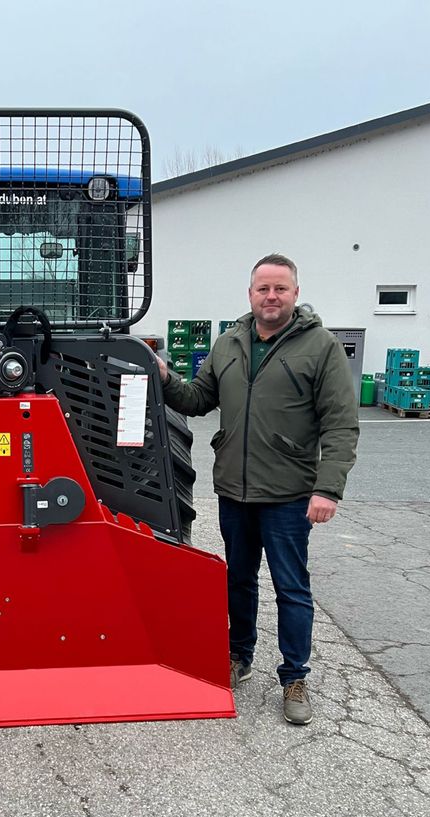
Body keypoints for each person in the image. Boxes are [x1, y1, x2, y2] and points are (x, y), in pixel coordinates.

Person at [157, 254, 358, 725]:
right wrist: (165, 377)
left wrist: (327, 489)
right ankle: (239, 656)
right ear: (250, 294)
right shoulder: (229, 342)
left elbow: (341, 424)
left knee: (291, 588)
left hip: (289, 495)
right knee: (238, 581)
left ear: (295, 294)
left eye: (280, 289)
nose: (271, 296)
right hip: (235, 491)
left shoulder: (321, 347)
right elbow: (198, 399)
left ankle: (294, 677)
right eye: (263, 288)